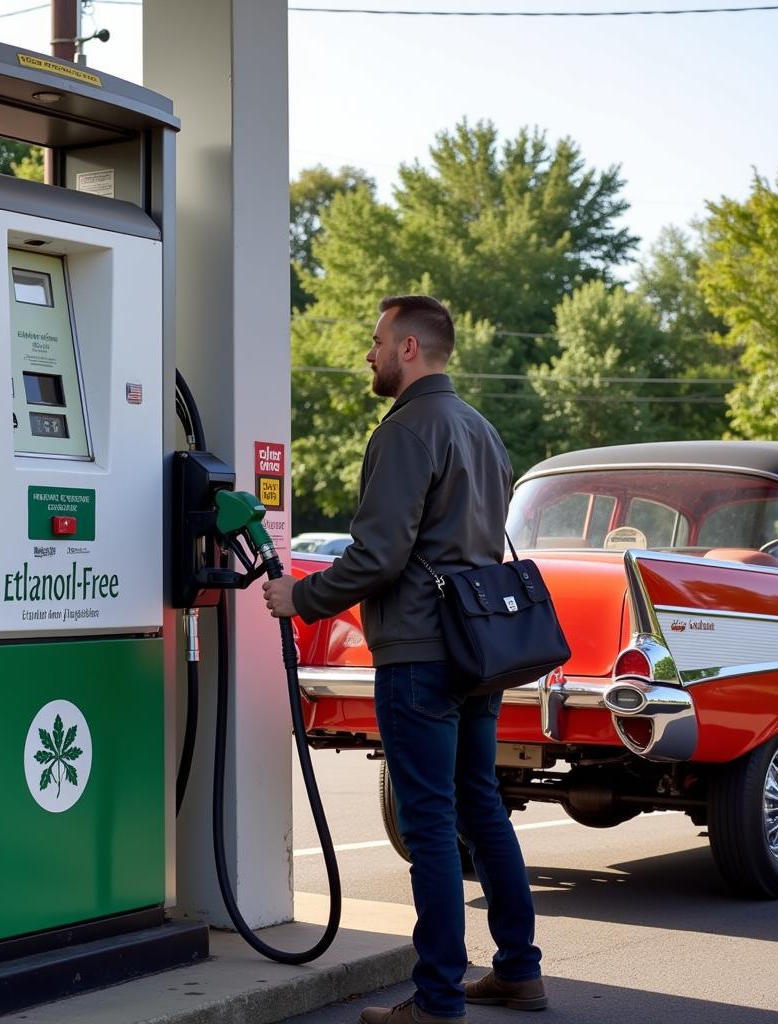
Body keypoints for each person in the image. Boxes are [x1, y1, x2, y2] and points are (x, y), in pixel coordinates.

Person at [263, 295, 546, 1022]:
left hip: (420, 655)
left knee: (429, 828)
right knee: (482, 811)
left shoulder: (408, 430)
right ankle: (519, 971)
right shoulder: (481, 430)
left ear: (410, 348)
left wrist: (303, 598)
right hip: (479, 652)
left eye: (378, 340)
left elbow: (379, 555)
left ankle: (436, 1000)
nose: (369, 353)